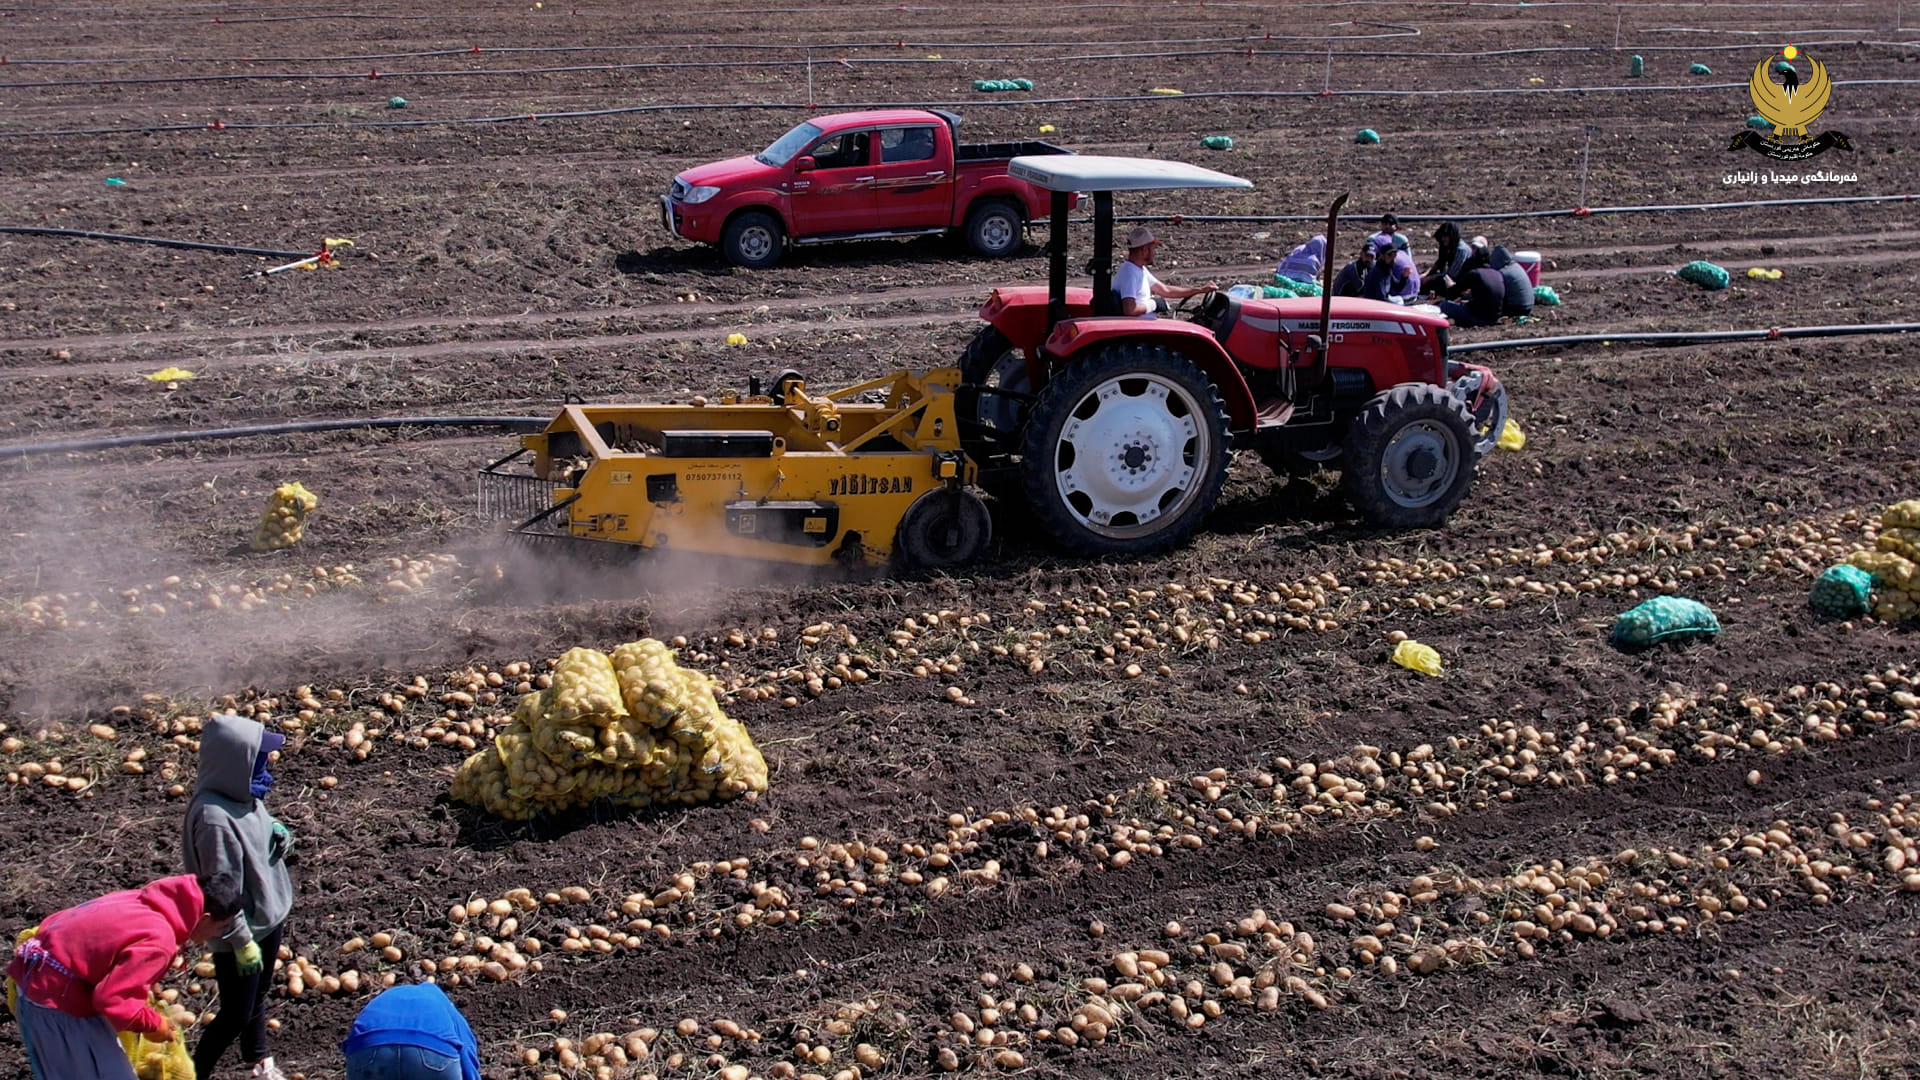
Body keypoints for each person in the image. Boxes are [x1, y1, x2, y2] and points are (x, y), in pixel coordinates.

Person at [7, 875, 229, 1080]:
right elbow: (111, 1000)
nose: (218, 935)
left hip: (36, 983)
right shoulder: (160, 941)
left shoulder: (140, 900)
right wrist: (154, 1025)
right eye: (220, 927)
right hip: (56, 1005)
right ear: (205, 917)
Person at [184, 715, 296, 1080]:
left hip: (268, 914)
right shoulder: (213, 819)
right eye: (258, 758)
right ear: (236, 759)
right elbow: (220, 891)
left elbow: (258, 828)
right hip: (242, 929)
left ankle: (259, 1061)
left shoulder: (244, 793)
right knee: (235, 1013)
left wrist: (277, 832)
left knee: (257, 997)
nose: (266, 766)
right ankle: (192, 1074)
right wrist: (240, 940)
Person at [342, 983, 482, 1080]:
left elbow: (352, 1041)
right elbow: (467, 1053)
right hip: (432, 1049)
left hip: (369, 1049)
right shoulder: (443, 1003)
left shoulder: (384, 999)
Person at [1114, 226, 1217, 319]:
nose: (1154, 253)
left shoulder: (1139, 270)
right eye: (1153, 248)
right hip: (1140, 330)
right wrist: (1153, 304)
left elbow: (1166, 290)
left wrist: (1199, 290)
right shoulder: (1129, 273)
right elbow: (1130, 310)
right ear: (1144, 250)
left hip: (1145, 325)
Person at [1439, 264, 1506, 327]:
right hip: (1495, 317)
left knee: (1444, 305)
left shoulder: (1475, 273)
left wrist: (1451, 286)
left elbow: (1455, 292)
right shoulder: (1497, 273)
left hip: (1479, 318)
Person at [1360, 234, 1420, 305]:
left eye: (1394, 255)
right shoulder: (1378, 273)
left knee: (1399, 300)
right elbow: (1380, 298)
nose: (1392, 258)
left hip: (1383, 300)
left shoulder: (1387, 268)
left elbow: (1397, 288)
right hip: (1374, 305)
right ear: (1382, 256)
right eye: (1389, 255)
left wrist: (1404, 277)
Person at [1489, 245, 1534, 318]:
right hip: (1529, 305)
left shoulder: (1503, 273)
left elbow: (1497, 293)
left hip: (1517, 308)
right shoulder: (1516, 266)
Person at [1424, 221, 1468, 291]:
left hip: (1461, 280)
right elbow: (1441, 261)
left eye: (1445, 237)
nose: (1443, 239)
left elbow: (1452, 274)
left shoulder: (1461, 250)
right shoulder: (1450, 246)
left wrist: (1431, 278)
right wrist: (1426, 274)